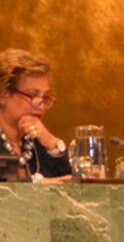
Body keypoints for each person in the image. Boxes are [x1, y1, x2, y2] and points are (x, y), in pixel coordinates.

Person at [0, 49, 71, 183]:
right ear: (3, 93)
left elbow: (72, 183)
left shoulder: (36, 140)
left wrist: (51, 143)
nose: (40, 105)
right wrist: (40, 184)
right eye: (32, 95)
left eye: (45, 97)